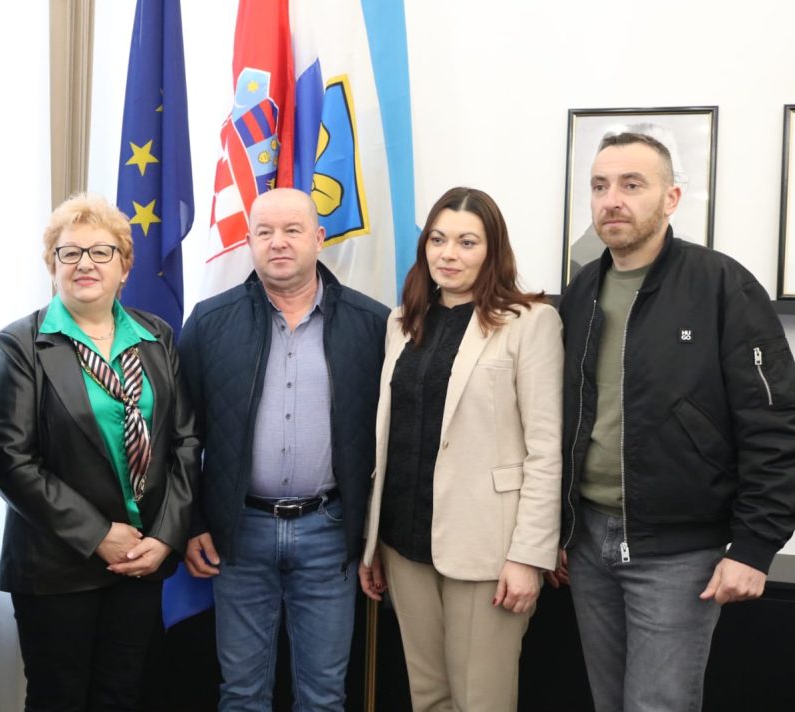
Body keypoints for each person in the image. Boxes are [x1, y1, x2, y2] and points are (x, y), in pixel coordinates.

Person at [553, 131, 795, 711]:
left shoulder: (722, 285)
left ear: (671, 199)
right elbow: (567, 416)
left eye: (632, 184)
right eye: (600, 186)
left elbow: (775, 424)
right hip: (588, 544)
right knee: (608, 702)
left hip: (678, 553)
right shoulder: (581, 290)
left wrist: (755, 547)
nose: (612, 200)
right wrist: (558, 528)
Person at [179, 187, 388, 711]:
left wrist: (372, 534)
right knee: (242, 693)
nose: (278, 242)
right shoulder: (209, 322)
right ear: (249, 241)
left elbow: (388, 437)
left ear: (318, 237)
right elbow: (181, 435)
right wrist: (194, 520)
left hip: (330, 533)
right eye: (264, 232)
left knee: (323, 696)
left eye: (292, 230)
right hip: (239, 533)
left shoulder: (372, 324)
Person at [0, 193, 199, 711]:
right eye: (70, 252)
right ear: (52, 265)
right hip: (56, 564)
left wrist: (165, 536)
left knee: (122, 696)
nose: (85, 263)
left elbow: (185, 442)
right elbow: (10, 460)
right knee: (58, 700)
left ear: (124, 267)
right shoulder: (21, 344)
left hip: (141, 559)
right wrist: (99, 534)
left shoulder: (156, 336)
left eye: (101, 252)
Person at [358, 187, 563, 711]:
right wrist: (372, 542)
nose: (448, 254)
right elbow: (391, 435)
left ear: (493, 250)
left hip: (487, 550)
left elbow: (545, 451)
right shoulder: (402, 322)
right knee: (428, 697)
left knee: (481, 700)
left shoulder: (530, 322)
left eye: (467, 242)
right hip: (404, 541)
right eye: (438, 239)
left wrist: (529, 556)